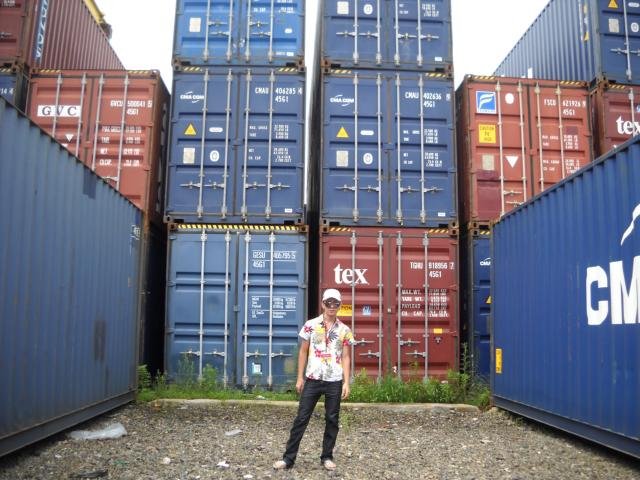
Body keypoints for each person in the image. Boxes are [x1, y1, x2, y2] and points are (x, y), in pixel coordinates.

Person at [273, 288, 355, 471]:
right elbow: (303, 351)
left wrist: (346, 382)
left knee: (332, 419)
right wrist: (299, 378)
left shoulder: (344, 330)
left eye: (335, 303)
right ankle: (288, 459)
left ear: (340, 306)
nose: (332, 306)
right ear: (323, 304)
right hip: (313, 378)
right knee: (301, 418)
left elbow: (346, 357)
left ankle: (327, 457)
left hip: (334, 380)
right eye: (328, 302)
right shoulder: (310, 325)